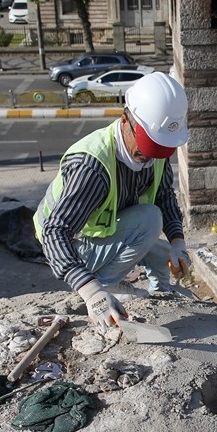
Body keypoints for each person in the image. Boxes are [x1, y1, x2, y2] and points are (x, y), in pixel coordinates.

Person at [34, 71, 192, 329]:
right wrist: (91, 292)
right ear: (126, 121)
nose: (150, 159)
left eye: (158, 151)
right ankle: (105, 285)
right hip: (71, 246)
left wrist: (178, 243)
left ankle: (162, 296)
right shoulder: (91, 168)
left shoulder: (155, 154)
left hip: (102, 233)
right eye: (146, 150)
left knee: (163, 251)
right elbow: (55, 232)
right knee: (149, 220)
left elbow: (164, 196)